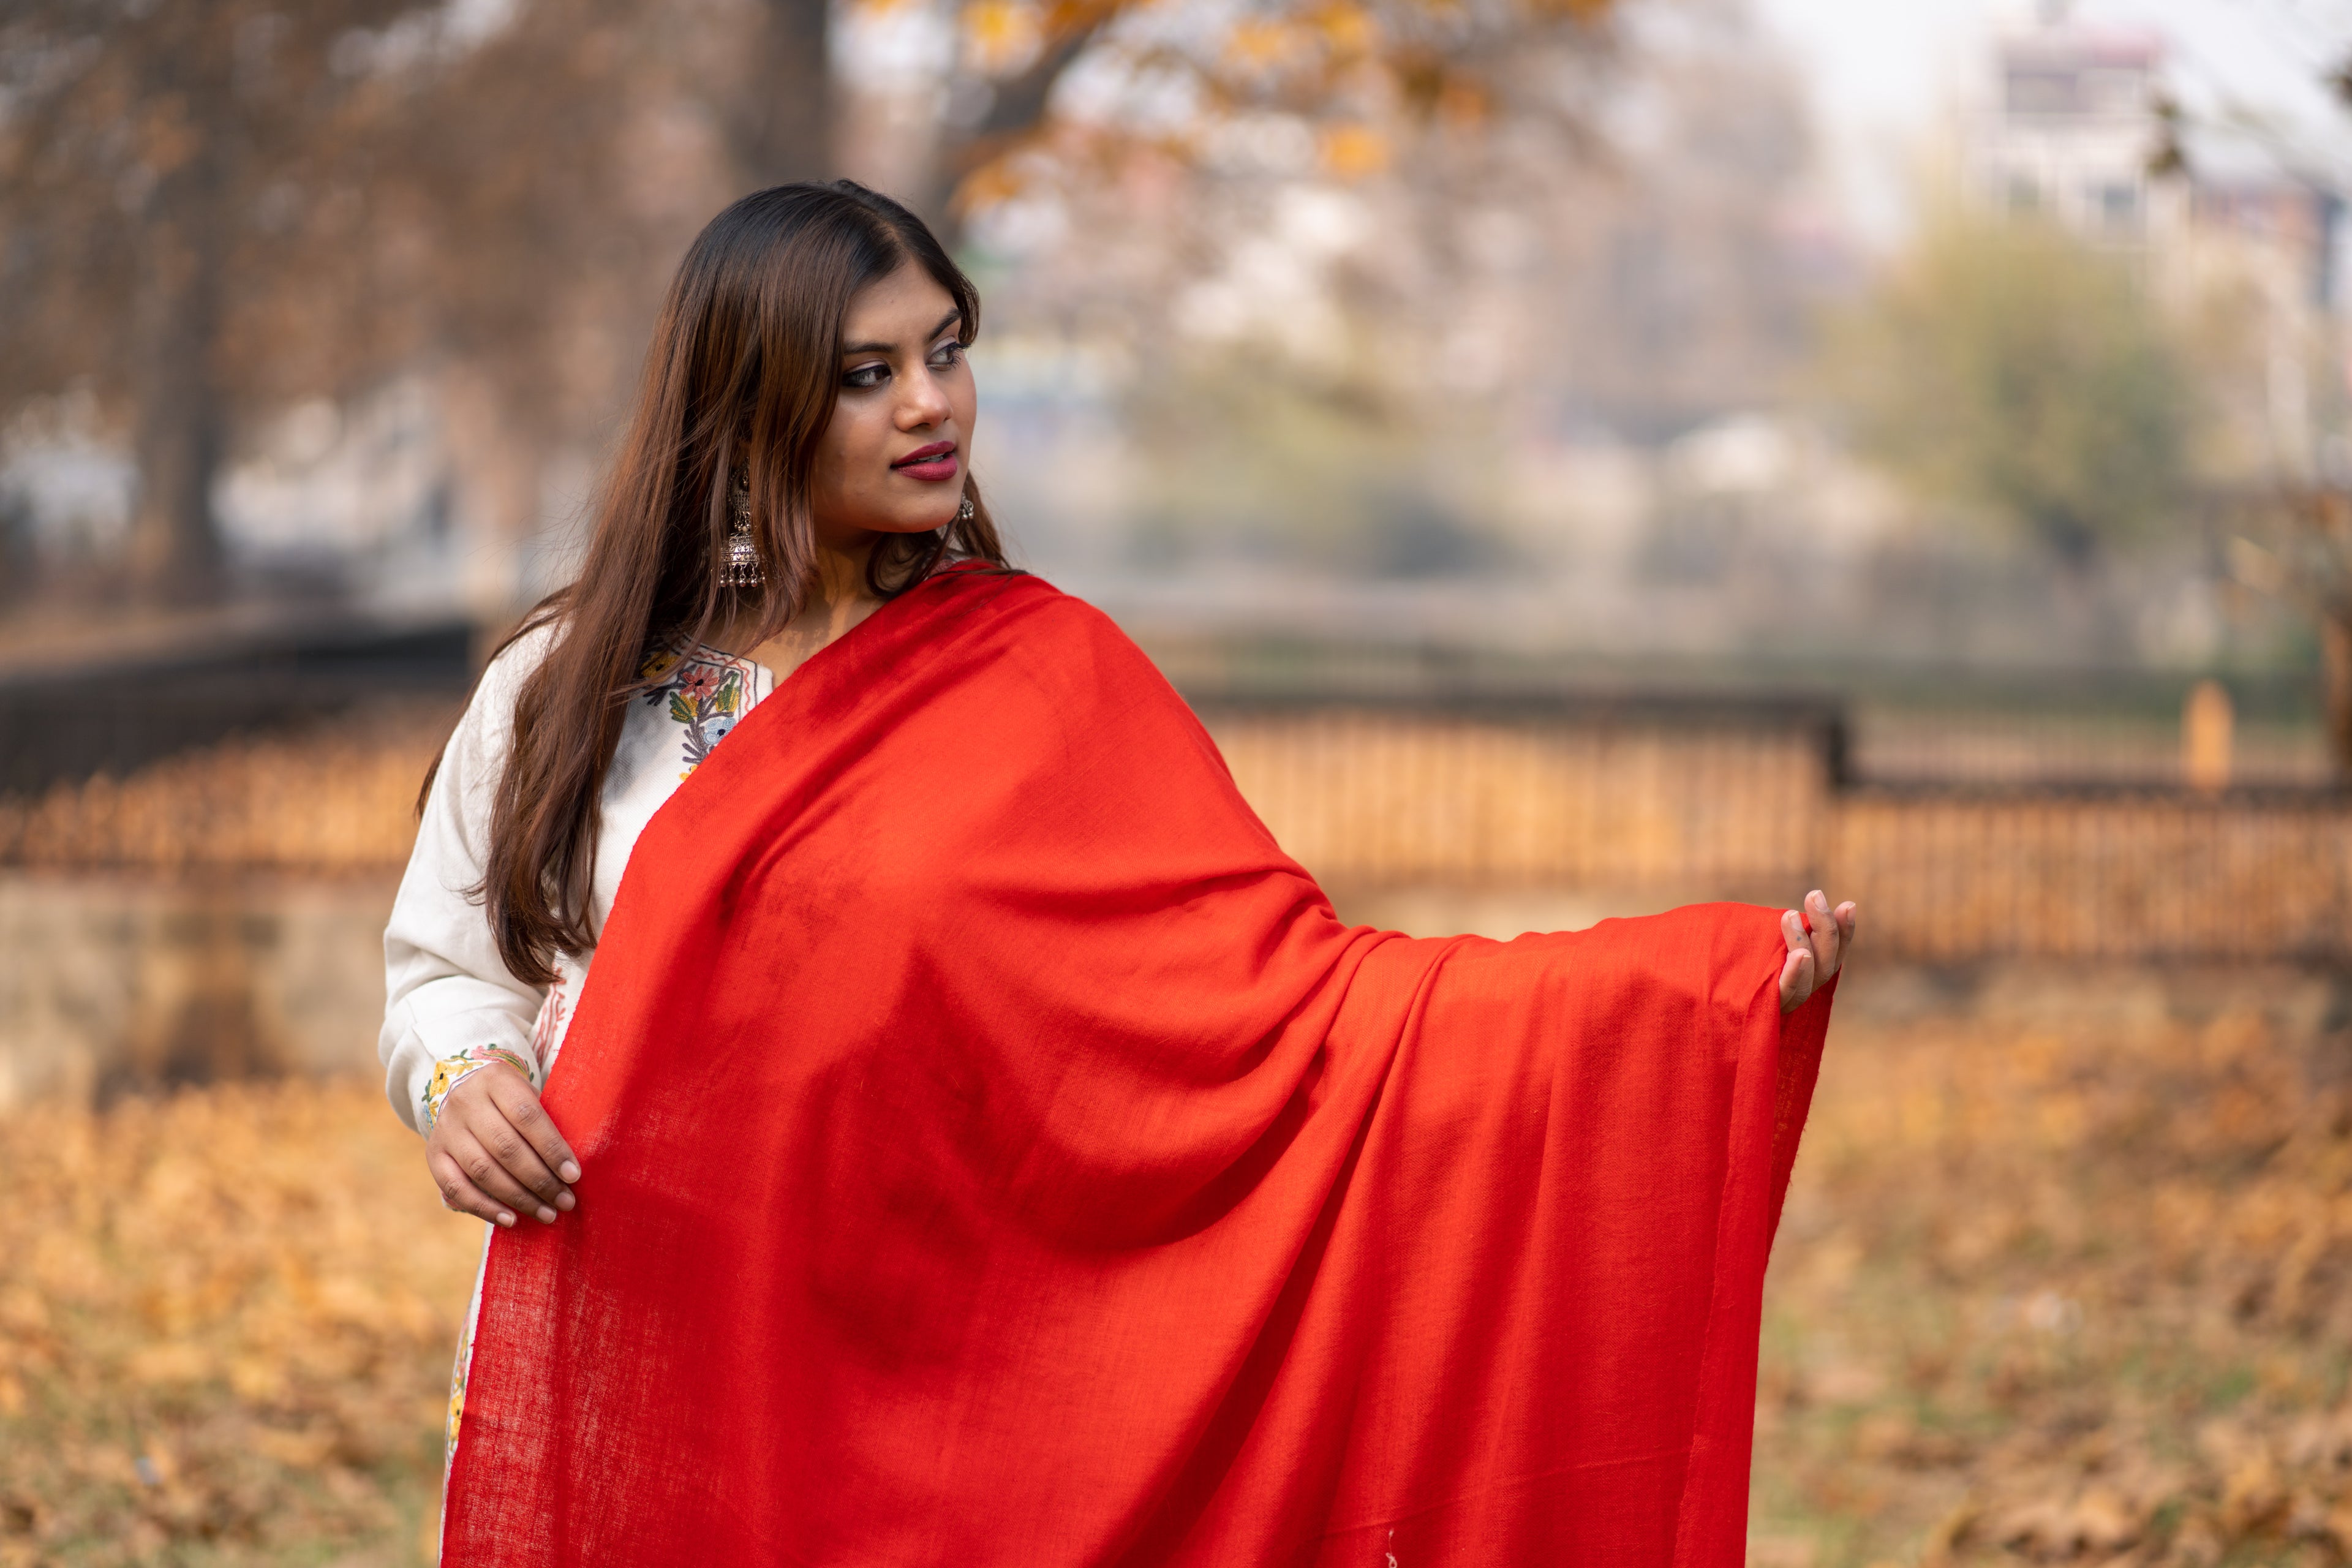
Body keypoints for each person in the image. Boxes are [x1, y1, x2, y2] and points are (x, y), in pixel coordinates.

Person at [382, 181, 1854, 1567]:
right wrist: (462, 1086)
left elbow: (1295, 1014)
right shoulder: (573, 688)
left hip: (930, 1355)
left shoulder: (1042, 676)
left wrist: (1679, 990)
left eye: (945, 352)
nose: (929, 403)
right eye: (864, 372)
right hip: (648, 1336)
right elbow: (448, 969)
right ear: (748, 397)